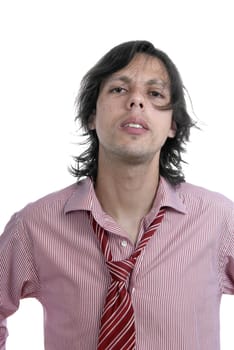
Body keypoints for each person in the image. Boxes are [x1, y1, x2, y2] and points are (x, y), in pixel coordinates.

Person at [0, 40, 233, 350]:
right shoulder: (35, 226)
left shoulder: (218, 219)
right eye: (119, 90)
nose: (136, 100)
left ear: (173, 125)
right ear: (91, 117)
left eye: (155, 94)